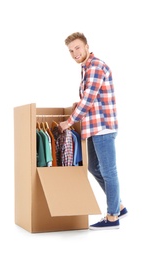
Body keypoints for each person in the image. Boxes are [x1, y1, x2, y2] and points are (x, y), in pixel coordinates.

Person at [58, 32, 128, 230]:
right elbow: (90, 99)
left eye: (77, 48)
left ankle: (113, 216)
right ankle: (119, 206)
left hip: (103, 128)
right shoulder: (86, 68)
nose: (74, 53)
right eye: (71, 51)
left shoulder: (95, 66)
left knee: (108, 172)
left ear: (87, 46)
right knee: (93, 167)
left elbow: (89, 100)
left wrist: (68, 122)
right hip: (93, 129)